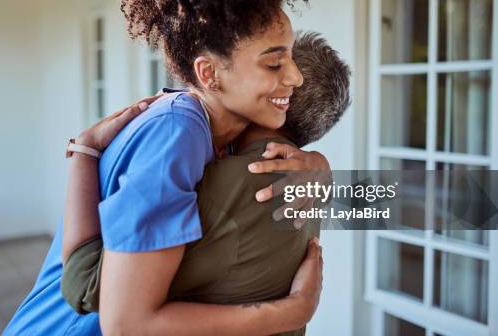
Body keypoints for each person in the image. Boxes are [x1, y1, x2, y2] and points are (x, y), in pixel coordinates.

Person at [4, 0, 327, 335]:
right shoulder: (178, 132)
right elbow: (127, 324)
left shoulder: (222, 136)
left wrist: (320, 165)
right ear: (209, 74)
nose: (295, 77)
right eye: (274, 64)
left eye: (292, 57)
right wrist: (292, 313)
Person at [60, 32, 351, 336]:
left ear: (278, 100)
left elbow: (85, 286)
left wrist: (84, 151)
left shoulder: (230, 182)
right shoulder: (310, 185)